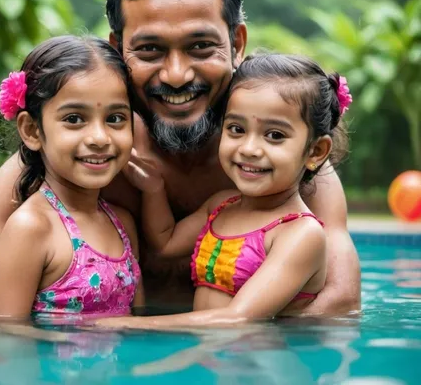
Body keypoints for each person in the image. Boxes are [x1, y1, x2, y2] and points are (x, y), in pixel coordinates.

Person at [0, 0, 360, 322]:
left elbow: (341, 302)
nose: (178, 74)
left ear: (236, 44)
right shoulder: (73, 162)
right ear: (117, 50)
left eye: (201, 46)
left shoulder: (290, 174)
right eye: (149, 49)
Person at [93, 52, 351, 330]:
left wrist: (128, 324)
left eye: (275, 135)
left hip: (258, 363)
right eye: (237, 129)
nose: (249, 148)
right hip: (216, 353)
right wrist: (153, 189)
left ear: (315, 151)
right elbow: (165, 244)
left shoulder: (300, 234)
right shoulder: (223, 205)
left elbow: (238, 318)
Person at [0, 35, 142, 318]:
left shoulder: (123, 223)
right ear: (32, 130)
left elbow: (139, 317)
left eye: (115, 118)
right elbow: (6, 342)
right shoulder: (31, 229)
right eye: (74, 119)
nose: (98, 138)